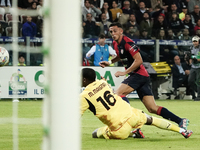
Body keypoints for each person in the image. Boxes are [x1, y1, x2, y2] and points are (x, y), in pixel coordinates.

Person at [99, 22, 189, 130]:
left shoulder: (128, 42)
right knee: (152, 108)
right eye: (111, 32)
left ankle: (130, 124)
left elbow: (139, 60)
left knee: (118, 94)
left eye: (115, 31)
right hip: (141, 76)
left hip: (138, 75)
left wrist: (125, 72)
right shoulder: (115, 43)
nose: (113, 33)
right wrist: (109, 62)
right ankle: (180, 120)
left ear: (121, 31)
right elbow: (120, 55)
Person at [80, 68, 193, 139]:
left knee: (95, 133)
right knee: (151, 119)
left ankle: (132, 133)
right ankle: (182, 130)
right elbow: (103, 84)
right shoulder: (103, 83)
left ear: (84, 80)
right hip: (131, 114)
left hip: (119, 128)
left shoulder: (84, 96)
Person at [188, 35, 200, 101]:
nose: (195, 42)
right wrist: (189, 60)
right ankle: (194, 95)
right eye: (193, 41)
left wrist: (196, 59)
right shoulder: (191, 48)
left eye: (196, 41)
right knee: (190, 81)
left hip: (199, 67)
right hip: (193, 67)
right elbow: (190, 58)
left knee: (198, 82)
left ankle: (199, 96)